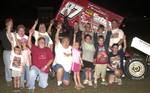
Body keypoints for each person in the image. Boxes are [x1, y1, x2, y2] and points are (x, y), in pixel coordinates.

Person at [28, 28, 53, 93]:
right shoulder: (34, 48)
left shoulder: (47, 49)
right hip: (35, 67)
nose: (42, 42)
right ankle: (31, 87)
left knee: (43, 86)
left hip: (44, 69)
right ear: (38, 42)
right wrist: (30, 34)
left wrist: (45, 67)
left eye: (43, 41)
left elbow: (51, 59)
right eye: (41, 41)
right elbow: (29, 44)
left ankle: (39, 78)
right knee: (32, 72)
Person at [0, 18, 15, 86]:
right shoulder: (2, 32)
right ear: (6, 23)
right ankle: (8, 79)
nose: (11, 24)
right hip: (7, 51)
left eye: (12, 22)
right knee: (8, 66)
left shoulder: (13, 31)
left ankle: (14, 78)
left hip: (14, 51)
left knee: (14, 66)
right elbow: (4, 42)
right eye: (10, 22)